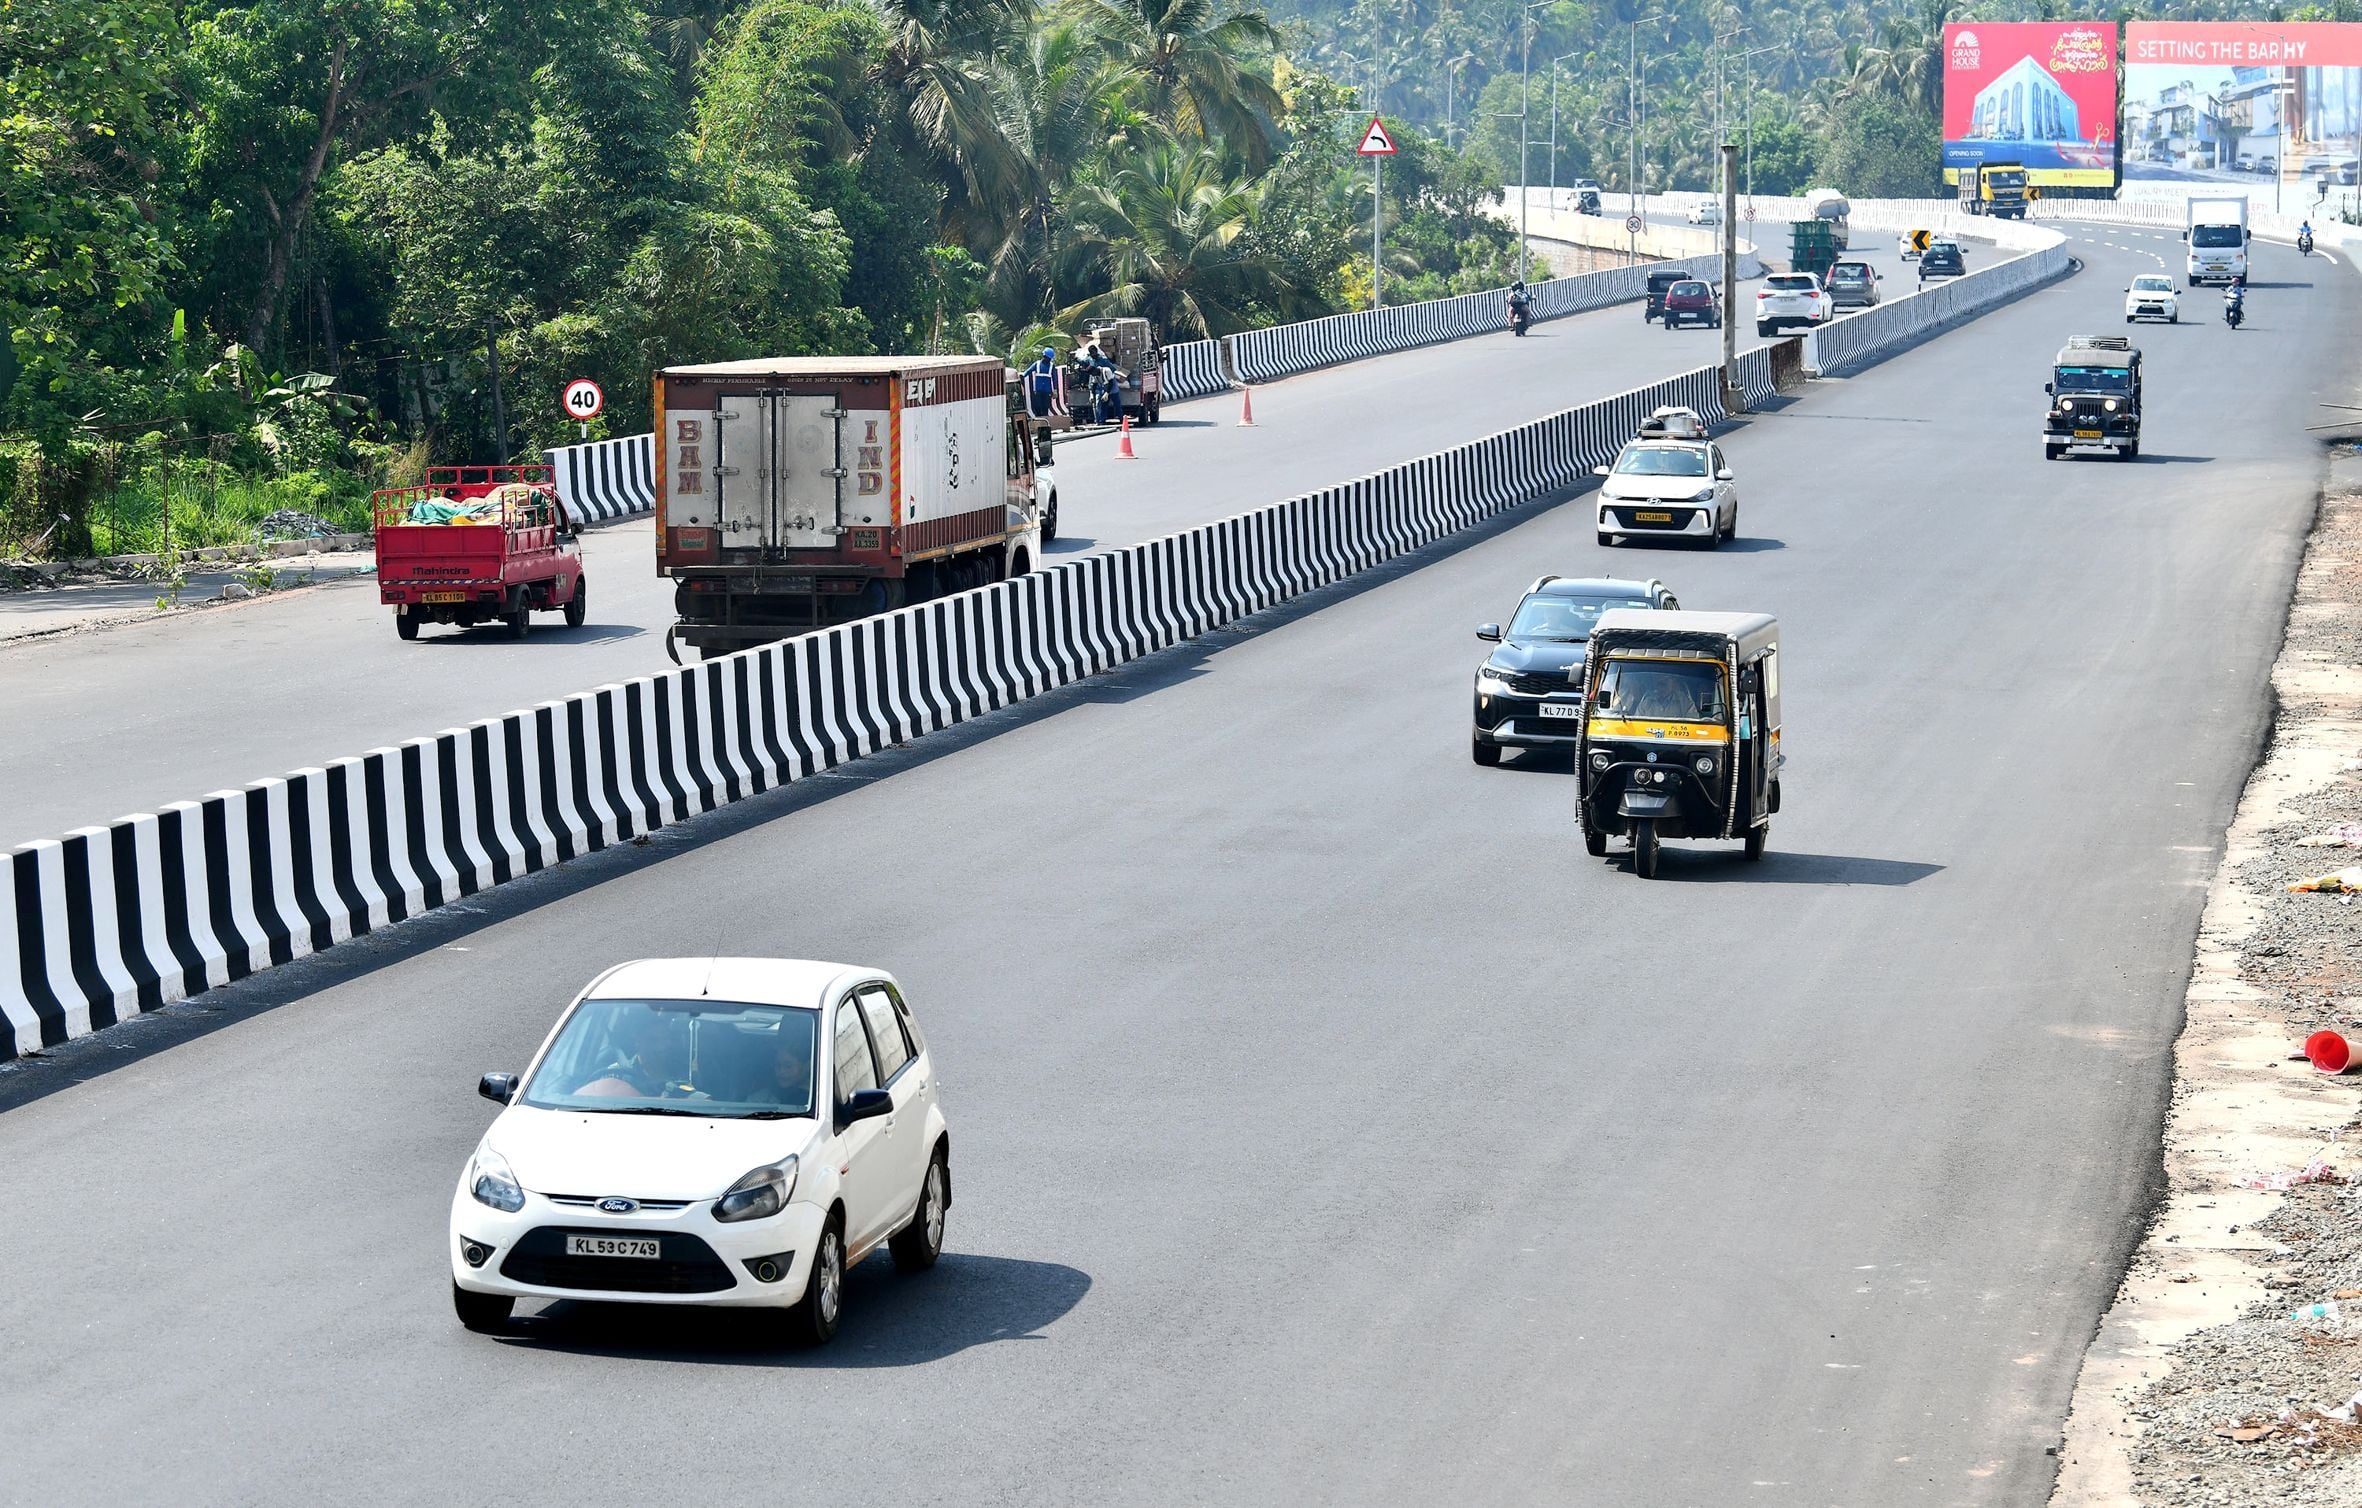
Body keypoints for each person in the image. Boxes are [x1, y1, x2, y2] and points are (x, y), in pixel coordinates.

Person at [1024, 345, 1059, 418]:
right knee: (1037, 407)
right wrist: (1021, 376)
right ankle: (1039, 423)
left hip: (1047, 391)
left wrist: (1055, 390)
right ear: (1044, 356)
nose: (1049, 360)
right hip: (1038, 390)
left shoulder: (1052, 366)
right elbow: (1028, 371)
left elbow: (1055, 378)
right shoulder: (1037, 364)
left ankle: (1045, 423)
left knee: (1045, 408)